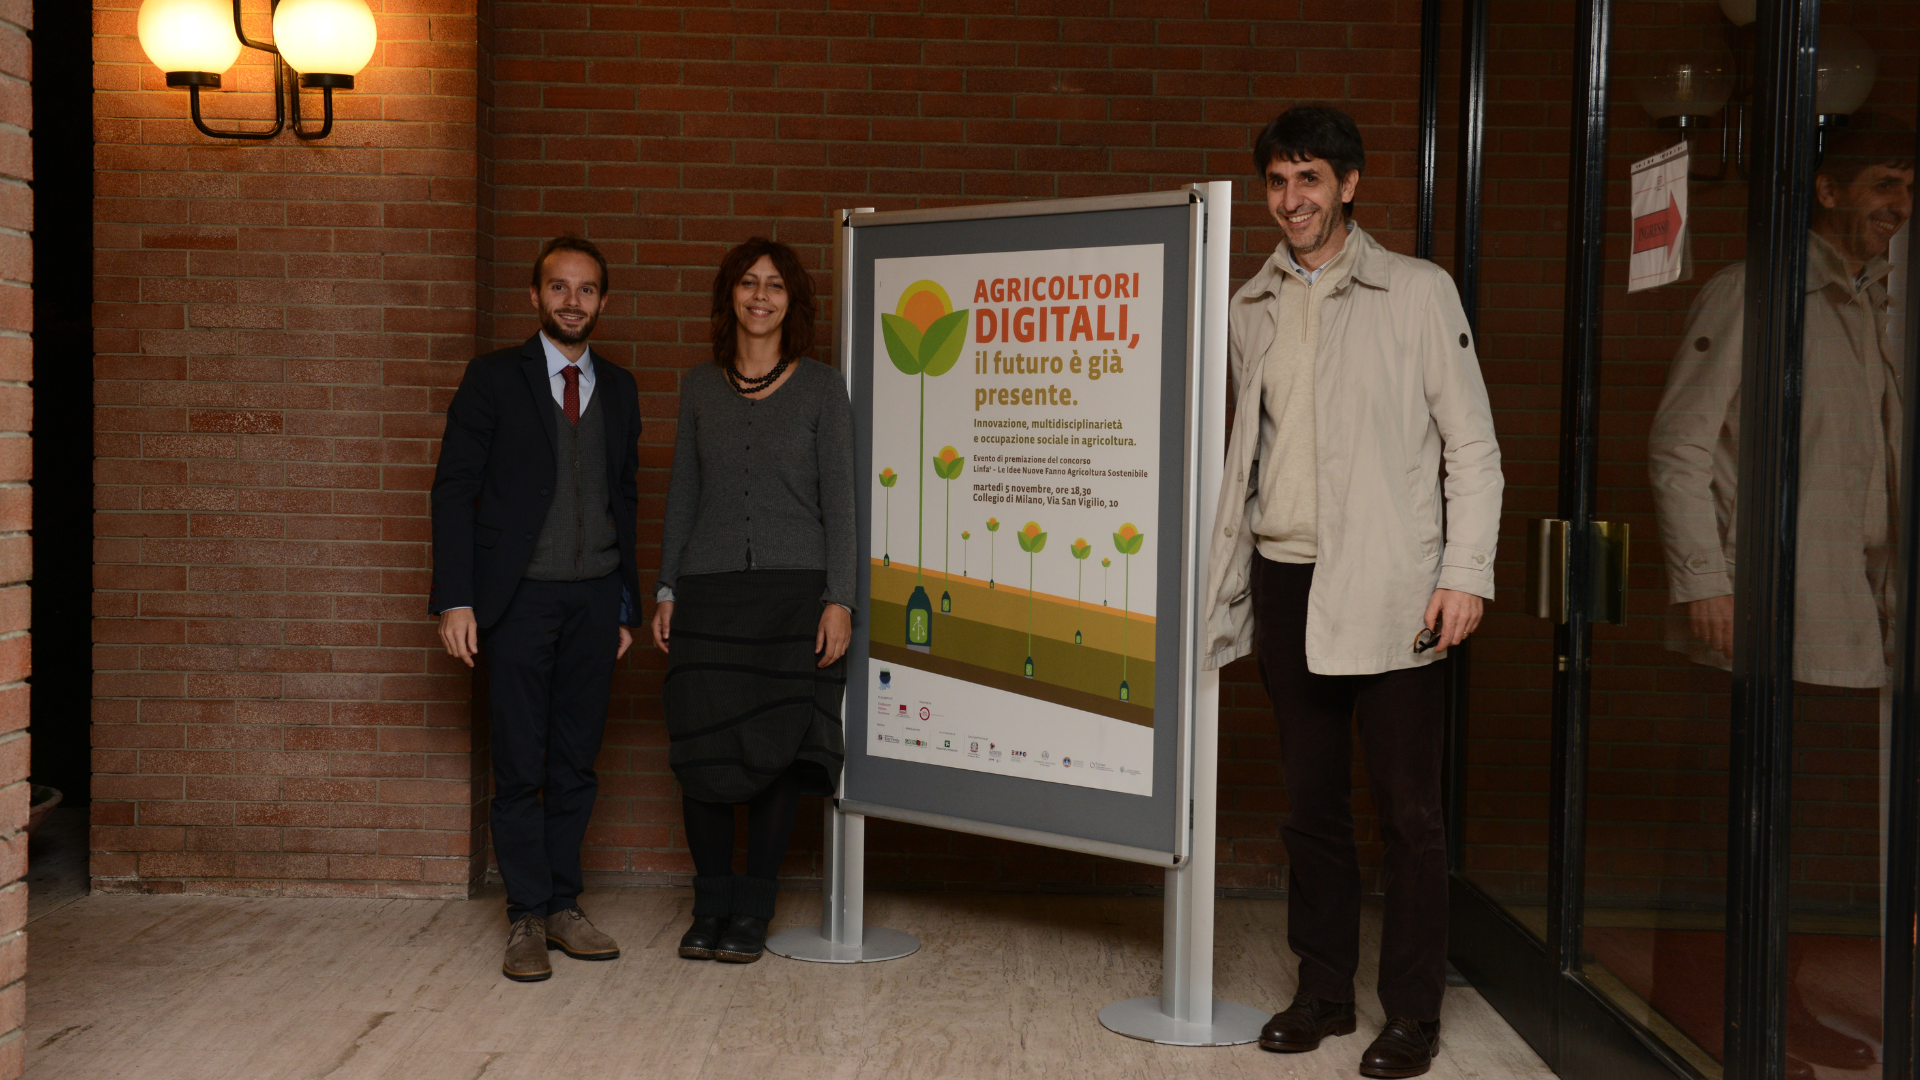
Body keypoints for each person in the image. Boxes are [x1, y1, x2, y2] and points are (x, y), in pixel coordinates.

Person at [1201, 106, 1503, 1078]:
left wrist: (1465, 574)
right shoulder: (1248, 304)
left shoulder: (1416, 292)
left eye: (1310, 181)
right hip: (1285, 581)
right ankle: (1324, 991)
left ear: (1350, 185)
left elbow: (1473, 445)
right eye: (1278, 183)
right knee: (1309, 805)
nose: (1292, 201)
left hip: (1394, 590)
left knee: (1409, 813)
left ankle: (1411, 1013)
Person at [429, 235, 642, 983]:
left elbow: (626, 499)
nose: (572, 301)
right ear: (535, 296)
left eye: (586, 290)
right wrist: (456, 598)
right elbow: (454, 489)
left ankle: (563, 906)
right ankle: (525, 916)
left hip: (593, 599)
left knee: (576, 763)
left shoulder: (620, 388)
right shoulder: (492, 379)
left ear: (602, 302)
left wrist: (625, 605)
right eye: (559, 287)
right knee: (521, 764)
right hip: (515, 601)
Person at [651, 237, 855, 964]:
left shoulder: (824, 389)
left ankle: (752, 913)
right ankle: (709, 908)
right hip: (708, 595)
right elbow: (683, 493)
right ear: (729, 297)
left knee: (776, 754)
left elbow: (844, 503)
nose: (760, 295)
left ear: (792, 302)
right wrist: (668, 585)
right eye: (747, 283)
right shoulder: (700, 387)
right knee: (702, 749)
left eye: (774, 285)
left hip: (793, 598)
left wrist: (841, 599)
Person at [1650, 122, 1912, 688]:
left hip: (1840, 604)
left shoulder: (1866, 304)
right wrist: (1704, 584)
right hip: (1752, 609)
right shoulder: (1753, 292)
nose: (1902, 206)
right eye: (1886, 184)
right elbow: (1679, 446)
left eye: (1910, 191)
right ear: (1828, 192)